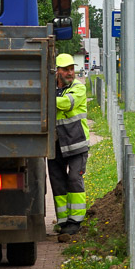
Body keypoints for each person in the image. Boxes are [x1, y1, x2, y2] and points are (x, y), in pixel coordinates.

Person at [50, 53, 91, 243]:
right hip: (56, 145)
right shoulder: (50, 89)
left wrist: (45, 99)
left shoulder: (78, 88)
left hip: (76, 144)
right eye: (65, 69)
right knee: (58, 182)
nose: (70, 72)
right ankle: (63, 220)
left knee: (74, 179)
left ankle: (76, 221)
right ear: (57, 71)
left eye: (72, 69)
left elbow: (67, 104)